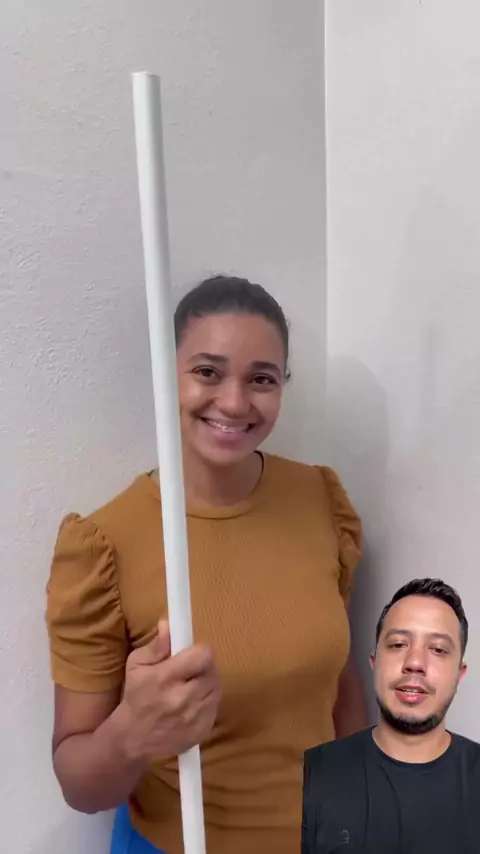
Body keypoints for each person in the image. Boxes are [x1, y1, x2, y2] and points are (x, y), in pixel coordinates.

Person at [45, 274, 366, 854]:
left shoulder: (319, 499)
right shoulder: (105, 546)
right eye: (207, 372)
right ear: (166, 375)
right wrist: (132, 732)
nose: (235, 402)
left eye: (261, 379)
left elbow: (338, 682)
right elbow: (78, 783)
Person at [302, 577, 480, 854]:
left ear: (459, 674)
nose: (415, 663)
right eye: (398, 644)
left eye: (438, 649)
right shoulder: (311, 773)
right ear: (374, 662)